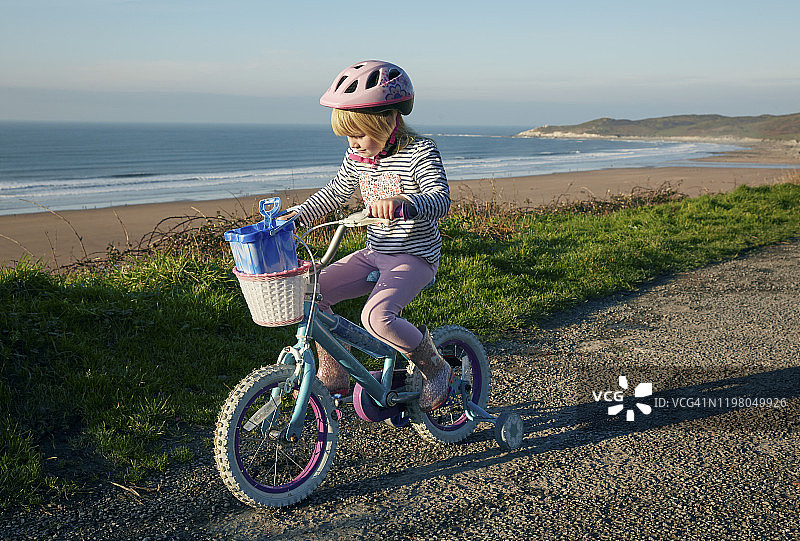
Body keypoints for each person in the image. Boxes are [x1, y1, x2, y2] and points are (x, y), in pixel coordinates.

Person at [290, 60, 452, 412]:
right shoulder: (358, 157)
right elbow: (335, 192)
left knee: (376, 318)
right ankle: (336, 372)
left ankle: (435, 367)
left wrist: (406, 202)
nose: (354, 143)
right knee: (311, 292)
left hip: (415, 256)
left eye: (360, 134)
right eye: (348, 136)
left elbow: (441, 200)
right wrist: (296, 219)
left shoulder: (420, 152)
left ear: (390, 120)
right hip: (375, 252)